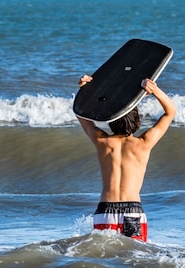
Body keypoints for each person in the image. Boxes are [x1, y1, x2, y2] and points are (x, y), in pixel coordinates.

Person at [76, 75, 177, 242]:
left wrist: (85, 90)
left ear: (111, 120)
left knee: (105, 261)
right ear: (136, 120)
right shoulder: (143, 143)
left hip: (105, 211)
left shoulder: (102, 142)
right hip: (133, 211)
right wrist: (155, 90)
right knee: (134, 259)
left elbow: (81, 113)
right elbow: (170, 111)